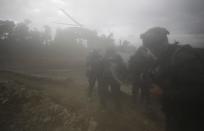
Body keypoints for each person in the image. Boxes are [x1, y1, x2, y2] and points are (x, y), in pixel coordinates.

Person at [140, 27, 204, 131]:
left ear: (163, 43)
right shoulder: (165, 57)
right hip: (174, 115)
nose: (152, 51)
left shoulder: (183, 58)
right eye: (149, 48)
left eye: (153, 48)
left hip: (191, 120)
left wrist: (163, 93)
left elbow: (199, 92)